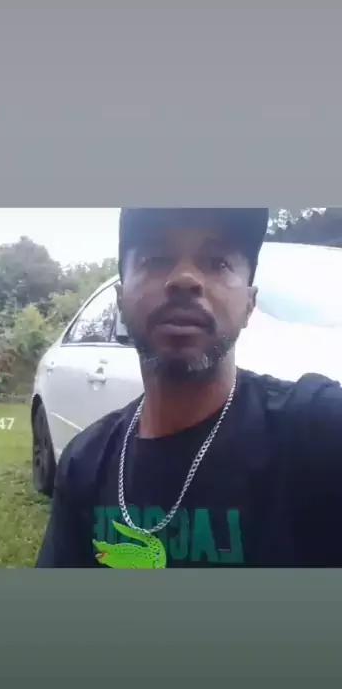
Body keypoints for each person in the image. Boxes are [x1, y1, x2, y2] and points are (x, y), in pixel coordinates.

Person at [36, 207, 342, 568]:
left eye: (217, 262)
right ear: (121, 301)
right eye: (155, 259)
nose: (184, 279)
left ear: (249, 304)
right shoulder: (84, 464)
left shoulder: (316, 427)